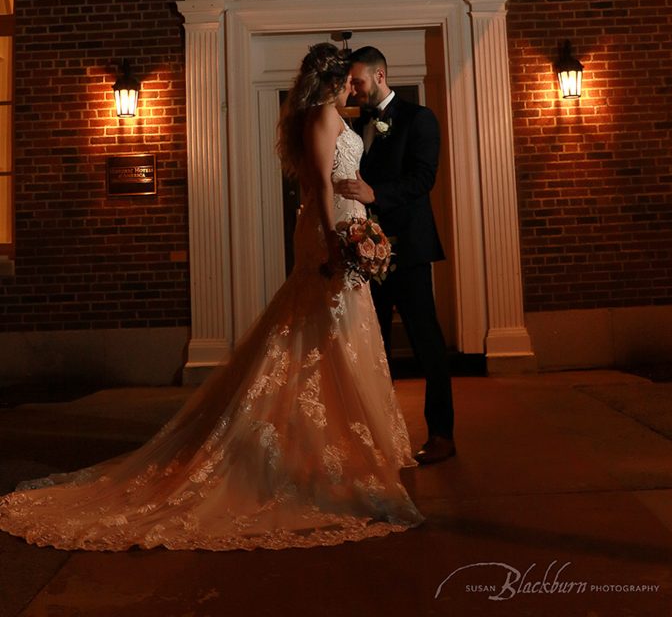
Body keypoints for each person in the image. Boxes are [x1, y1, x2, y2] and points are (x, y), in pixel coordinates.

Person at [0, 44, 422, 551]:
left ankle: (347, 446)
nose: (355, 87)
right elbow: (321, 191)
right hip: (329, 233)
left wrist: (365, 227)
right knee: (319, 334)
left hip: (349, 229)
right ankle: (318, 451)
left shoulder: (332, 116)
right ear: (332, 81)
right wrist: (336, 241)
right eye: (348, 81)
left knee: (339, 335)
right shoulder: (319, 119)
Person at [334, 46, 455, 466]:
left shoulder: (419, 119)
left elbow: (424, 178)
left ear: (380, 75)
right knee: (376, 343)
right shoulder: (358, 124)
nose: (354, 89)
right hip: (367, 251)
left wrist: (375, 194)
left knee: (427, 343)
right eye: (350, 83)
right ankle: (385, 435)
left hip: (408, 248)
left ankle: (442, 433)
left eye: (358, 82)